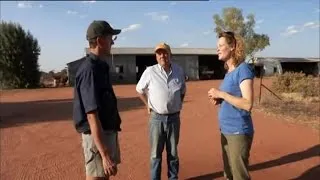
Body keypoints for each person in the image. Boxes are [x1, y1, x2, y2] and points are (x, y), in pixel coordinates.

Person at [73, 20, 122, 180]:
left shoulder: (100, 67)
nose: (112, 42)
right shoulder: (90, 70)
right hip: (97, 138)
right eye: (110, 38)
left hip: (105, 133)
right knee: (96, 178)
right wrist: (105, 154)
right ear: (100, 41)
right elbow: (91, 115)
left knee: (104, 177)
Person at [208, 31, 255, 180]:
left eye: (221, 45)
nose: (218, 49)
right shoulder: (229, 72)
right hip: (226, 131)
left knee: (239, 176)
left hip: (238, 131)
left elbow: (247, 103)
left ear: (232, 46)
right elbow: (233, 97)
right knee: (228, 174)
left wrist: (222, 94)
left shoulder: (243, 69)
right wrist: (220, 99)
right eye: (217, 46)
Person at [136, 42, 186, 180]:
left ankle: (173, 178)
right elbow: (139, 89)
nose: (162, 56)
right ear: (156, 56)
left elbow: (182, 91)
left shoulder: (179, 70)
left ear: (170, 54)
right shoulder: (150, 71)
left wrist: (177, 104)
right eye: (159, 53)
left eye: (165, 52)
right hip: (156, 119)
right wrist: (148, 104)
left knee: (173, 153)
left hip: (174, 119)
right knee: (155, 155)